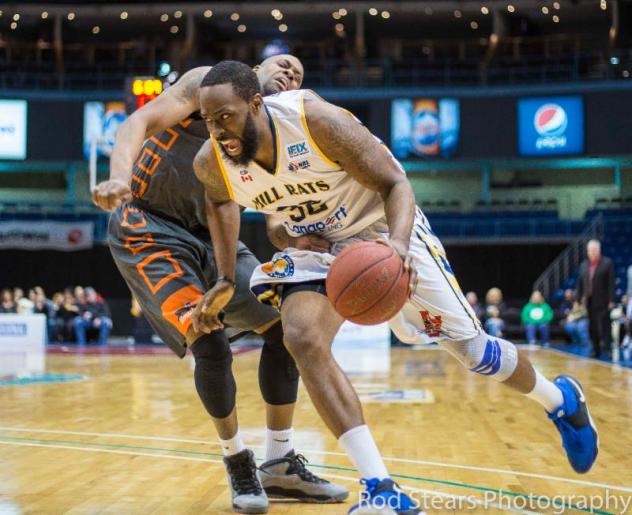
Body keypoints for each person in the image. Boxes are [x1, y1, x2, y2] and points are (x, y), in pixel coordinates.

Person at [192, 61, 599, 513]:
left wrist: (398, 248)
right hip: (321, 247)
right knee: (302, 337)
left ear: (254, 104)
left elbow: (395, 182)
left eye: (224, 117)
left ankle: (560, 399)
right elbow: (222, 202)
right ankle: (381, 488)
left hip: (382, 230)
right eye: (208, 121)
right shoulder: (214, 161)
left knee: (474, 352)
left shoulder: (316, 121)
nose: (217, 130)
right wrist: (231, 275)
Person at [91, 55, 346, 513]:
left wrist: (306, 235)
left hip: (214, 236)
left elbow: (274, 224)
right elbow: (139, 120)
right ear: (257, 71)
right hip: (149, 227)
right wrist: (117, 177)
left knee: (285, 330)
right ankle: (237, 462)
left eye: (300, 74)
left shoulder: (276, 134)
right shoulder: (207, 86)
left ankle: (280, 461)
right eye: (285, 63)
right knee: (207, 338)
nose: (292, 73)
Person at [576, 239, 615, 358]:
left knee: (605, 326)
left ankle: (607, 349)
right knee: (592, 327)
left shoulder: (607, 263)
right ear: (587, 251)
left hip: (603, 301)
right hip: (589, 301)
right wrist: (578, 299)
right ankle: (595, 349)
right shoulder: (583, 265)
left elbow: (611, 284)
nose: (592, 252)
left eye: (594, 250)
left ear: (599, 250)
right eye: (590, 250)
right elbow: (580, 284)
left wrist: (611, 300)